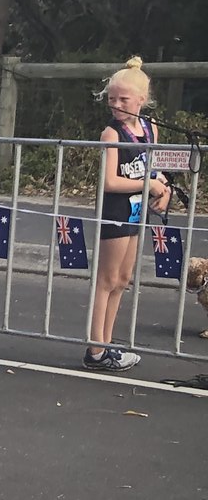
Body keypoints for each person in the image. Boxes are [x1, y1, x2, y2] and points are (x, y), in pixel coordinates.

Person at [84, 57, 171, 373]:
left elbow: (154, 169)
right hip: (116, 210)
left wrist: (163, 188)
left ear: (141, 100)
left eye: (124, 99)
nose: (117, 105)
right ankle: (95, 348)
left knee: (122, 279)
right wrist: (149, 185)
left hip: (137, 210)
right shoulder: (111, 133)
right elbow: (109, 181)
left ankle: (107, 342)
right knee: (106, 279)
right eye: (112, 99)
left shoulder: (150, 128)